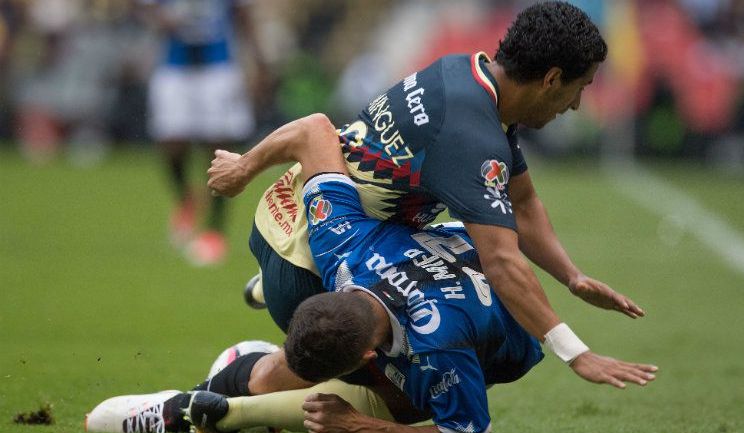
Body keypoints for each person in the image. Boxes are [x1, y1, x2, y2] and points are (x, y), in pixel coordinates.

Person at [85, 105, 657, 433]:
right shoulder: (354, 257)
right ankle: (223, 399)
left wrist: (358, 428)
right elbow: (315, 130)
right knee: (377, 395)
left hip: (486, 314)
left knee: (401, 407)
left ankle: (225, 397)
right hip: (432, 249)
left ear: (368, 359)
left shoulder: (433, 341)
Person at [208, 3, 644, 366]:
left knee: (453, 243)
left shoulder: (466, 76)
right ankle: (237, 376)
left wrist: (572, 277)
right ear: (551, 79)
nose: (576, 105)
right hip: (310, 273)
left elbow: (523, 201)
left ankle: (267, 286)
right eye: (578, 88)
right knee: (450, 347)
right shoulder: (471, 137)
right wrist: (575, 351)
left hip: (281, 216)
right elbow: (503, 263)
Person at [138, 0, 260, 265]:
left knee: (218, 147)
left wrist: (257, 61)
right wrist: (161, 19)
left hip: (218, 67)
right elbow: (145, 8)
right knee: (171, 143)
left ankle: (215, 231)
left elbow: (243, 13)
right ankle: (186, 199)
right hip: (174, 66)